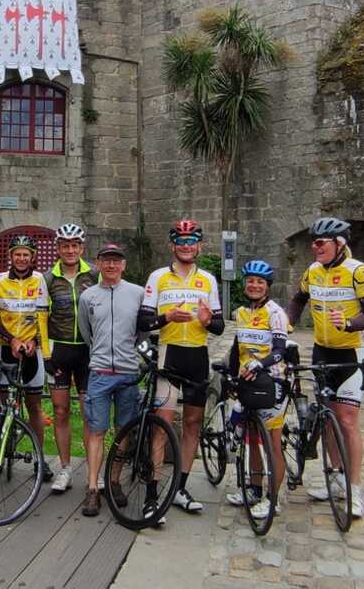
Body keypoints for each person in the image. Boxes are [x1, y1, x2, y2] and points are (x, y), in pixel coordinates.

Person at [287, 217, 364, 518]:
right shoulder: (313, 271)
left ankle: (354, 489)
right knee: (327, 417)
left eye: (320, 242)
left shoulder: (359, 271)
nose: (314, 247)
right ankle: (337, 477)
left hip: (351, 353)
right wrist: (287, 320)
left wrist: (350, 324)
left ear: (339, 244)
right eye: (312, 242)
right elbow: (298, 299)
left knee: (348, 419)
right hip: (321, 352)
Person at [142, 220, 224, 514]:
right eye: (181, 240)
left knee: (192, 425)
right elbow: (143, 321)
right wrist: (165, 318)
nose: (186, 245)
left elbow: (219, 326)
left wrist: (205, 321)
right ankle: (152, 494)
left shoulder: (209, 280)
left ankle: (180, 488)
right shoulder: (158, 277)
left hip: (197, 357)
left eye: (192, 241)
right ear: (172, 245)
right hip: (169, 355)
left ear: (200, 246)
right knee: (161, 425)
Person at [76, 243, 148, 517]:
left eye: (116, 261)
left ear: (123, 265)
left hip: (129, 373)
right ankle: (93, 487)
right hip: (100, 372)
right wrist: (100, 354)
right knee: (96, 430)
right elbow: (87, 332)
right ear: (97, 263)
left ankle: (114, 480)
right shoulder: (88, 297)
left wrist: (131, 353)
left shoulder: (137, 293)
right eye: (106, 261)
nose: (111, 266)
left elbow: (142, 331)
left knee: (123, 430)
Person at [225, 259, 289, 518]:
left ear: (268, 286)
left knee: (272, 443)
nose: (254, 285)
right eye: (250, 281)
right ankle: (254, 488)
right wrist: (231, 377)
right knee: (252, 439)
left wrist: (259, 365)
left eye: (260, 282)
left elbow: (279, 351)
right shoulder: (241, 313)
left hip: (271, 383)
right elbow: (236, 349)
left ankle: (273, 500)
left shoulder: (275, 313)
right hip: (247, 383)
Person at [0, 234, 51, 479]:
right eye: (18, 254)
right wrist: (12, 340)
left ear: (32, 257)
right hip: (6, 348)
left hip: (32, 350)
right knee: (3, 405)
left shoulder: (40, 281)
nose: (22, 258)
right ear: (11, 256)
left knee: (34, 406)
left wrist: (33, 341)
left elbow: (46, 317)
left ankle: (40, 458)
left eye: (26, 254)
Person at [44, 223, 96, 494]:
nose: (70, 250)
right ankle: (65, 468)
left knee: (89, 414)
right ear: (59, 248)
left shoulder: (94, 275)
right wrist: (45, 354)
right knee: (61, 412)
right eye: (65, 245)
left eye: (75, 245)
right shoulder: (48, 279)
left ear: (82, 248)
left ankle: (91, 470)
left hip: (88, 353)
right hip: (60, 352)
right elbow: (41, 318)